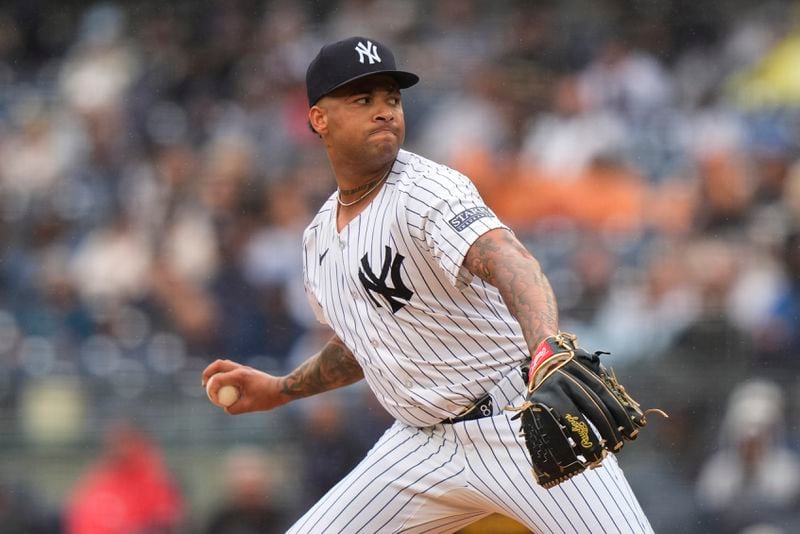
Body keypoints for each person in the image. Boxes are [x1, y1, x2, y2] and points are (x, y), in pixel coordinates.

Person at [203, 36, 653, 533]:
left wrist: (545, 347)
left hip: (517, 420)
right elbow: (363, 343)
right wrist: (283, 389)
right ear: (319, 119)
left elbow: (511, 262)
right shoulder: (317, 240)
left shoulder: (426, 190)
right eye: (363, 99)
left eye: (392, 99)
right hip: (419, 449)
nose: (384, 111)